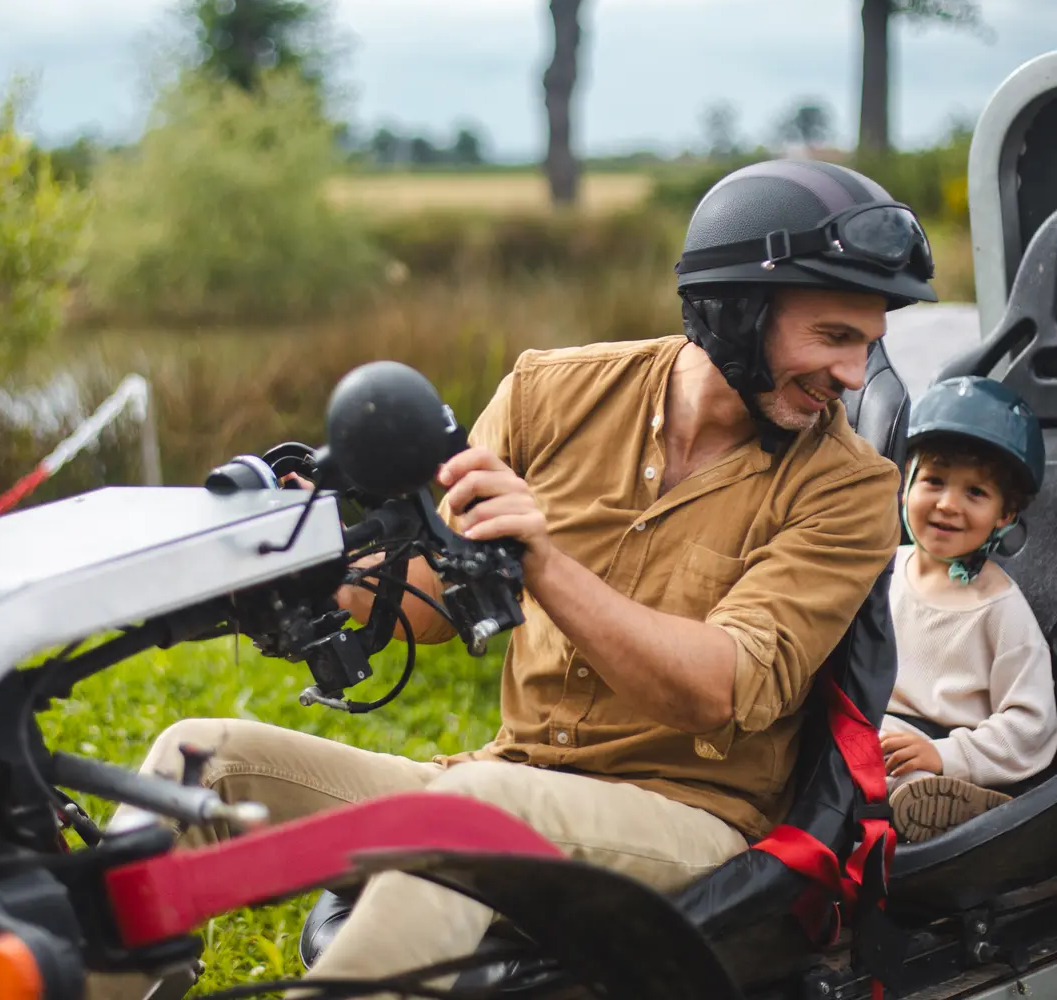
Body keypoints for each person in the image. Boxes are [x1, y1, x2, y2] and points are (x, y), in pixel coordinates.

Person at [98, 160, 937, 1000]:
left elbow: (719, 688)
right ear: (736, 310)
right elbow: (433, 593)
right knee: (198, 760)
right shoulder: (550, 391)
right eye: (833, 338)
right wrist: (296, 569)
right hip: (500, 779)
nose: (857, 376)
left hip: (689, 823)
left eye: (868, 343)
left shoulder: (850, 488)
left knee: (469, 814)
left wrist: (543, 559)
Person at [881, 375, 1056, 843]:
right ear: (905, 487)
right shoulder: (882, 573)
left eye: (975, 493)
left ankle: (972, 821)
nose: (947, 504)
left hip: (941, 752)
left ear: (1005, 515)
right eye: (934, 481)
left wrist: (946, 755)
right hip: (869, 733)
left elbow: (1031, 725)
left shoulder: (999, 610)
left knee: (912, 789)